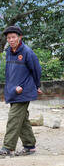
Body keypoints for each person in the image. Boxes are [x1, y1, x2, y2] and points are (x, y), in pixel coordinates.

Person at [0, 26, 42, 157]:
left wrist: (37, 85)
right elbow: (9, 73)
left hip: (23, 91)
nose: (11, 40)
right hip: (13, 90)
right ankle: (30, 146)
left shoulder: (27, 52)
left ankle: (7, 147)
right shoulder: (8, 52)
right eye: (9, 38)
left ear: (20, 38)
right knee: (22, 119)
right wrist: (10, 89)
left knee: (13, 118)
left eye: (13, 37)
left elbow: (36, 70)